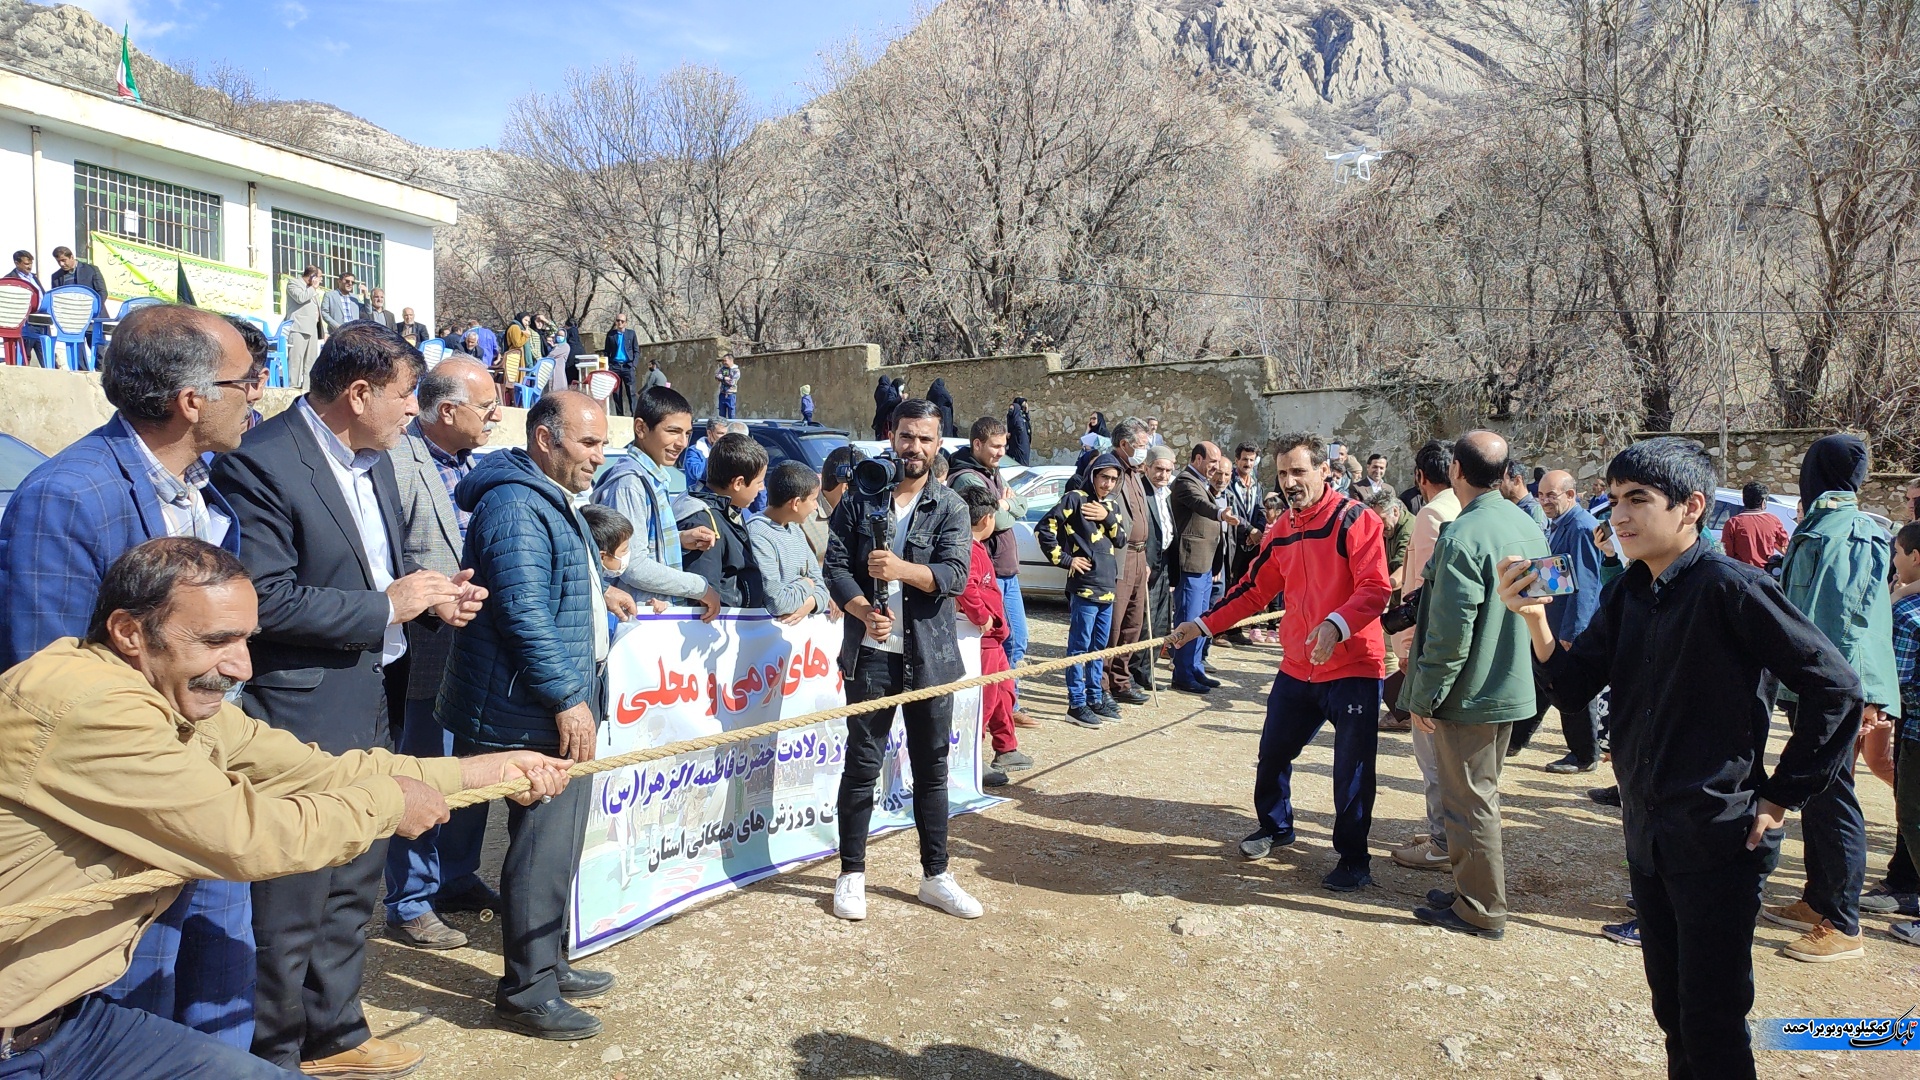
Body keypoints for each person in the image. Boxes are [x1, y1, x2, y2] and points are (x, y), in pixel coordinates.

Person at [0, 538, 571, 1080]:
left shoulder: (161, 697)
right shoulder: (94, 708)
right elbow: (247, 837)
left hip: (62, 1023)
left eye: (245, 640)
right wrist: (389, 804)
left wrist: (482, 772)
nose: (241, 667)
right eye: (217, 641)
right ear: (129, 632)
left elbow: (316, 770)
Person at [1504, 437, 1862, 1078]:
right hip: (1649, 834)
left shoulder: (1732, 587)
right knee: (1672, 1010)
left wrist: (1782, 796)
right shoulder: (1629, 591)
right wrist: (1535, 619)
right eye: (1615, 500)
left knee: (1712, 1022)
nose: (1619, 516)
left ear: (1692, 507)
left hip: (1720, 837)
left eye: (1637, 500)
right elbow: (1574, 688)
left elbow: (1836, 687)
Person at [212, 322, 484, 1076]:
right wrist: (386, 606)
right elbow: (263, 600)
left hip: (374, 694)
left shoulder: (381, 460)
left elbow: (374, 576)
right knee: (294, 892)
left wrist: (431, 602)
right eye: (405, 396)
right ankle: (275, 1052)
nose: (414, 411)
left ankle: (335, 1034)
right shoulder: (263, 462)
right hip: (299, 708)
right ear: (359, 394)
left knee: (356, 878)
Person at [0, 304, 258, 1049]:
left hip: (205, 781)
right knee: (138, 1007)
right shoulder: (67, 498)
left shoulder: (208, 488)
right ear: (191, 400)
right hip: (123, 813)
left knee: (218, 995)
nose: (257, 397)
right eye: (245, 382)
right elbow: (48, 688)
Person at [436, 392, 618, 1040]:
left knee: (557, 845)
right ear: (545, 439)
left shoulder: (545, 496)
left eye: (602, 443)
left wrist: (602, 595)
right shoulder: (514, 504)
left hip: (545, 699)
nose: (599, 457)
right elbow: (522, 612)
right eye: (589, 443)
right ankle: (527, 991)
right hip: (527, 708)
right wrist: (567, 698)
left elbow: (553, 588)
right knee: (540, 848)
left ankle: (549, 960)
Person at [1167, 433, 1390, 891]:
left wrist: (1335, 625)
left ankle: (1353, 859)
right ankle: (1276, 825)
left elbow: (1375, 589)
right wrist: (1202, 625)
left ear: (1324, 471)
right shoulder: (1283, 529)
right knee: (1272, 753)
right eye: (1283, 473)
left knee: (1352, 769)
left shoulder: (1355, 519)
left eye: (1299, 471)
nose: (1289, 482)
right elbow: (1253, 590)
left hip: (1353, 666)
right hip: (1297, 665)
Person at [822, 398, 979, 922]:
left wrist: (901, 569)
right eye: (907, 436)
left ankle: (936, 876)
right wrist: (863, 611)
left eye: (925, 439)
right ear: (892, 436)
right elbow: (835, 566)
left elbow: (954, 575)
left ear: (939, 444)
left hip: (930, 657)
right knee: (862, 765)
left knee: (932, 769)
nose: (914, 447)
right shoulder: (859, 496)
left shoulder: (950, 506)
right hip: (870, 656)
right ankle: (851, 874)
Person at [1400, 431, 1551, 939]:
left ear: (1456, 471)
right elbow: (1548, 598)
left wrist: (1424, 698)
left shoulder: (1462, 535)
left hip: (1470, 695)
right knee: (1476, 797)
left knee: (1470, 804)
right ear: (1506, 473)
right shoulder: (1526, 523)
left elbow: (1448, 635)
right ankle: (1470, 891)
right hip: (1511, 684)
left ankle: (1481, 908)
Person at [381, 359, 504, 952]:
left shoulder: (477, 468)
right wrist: (434, 594)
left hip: (476, 648)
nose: (495, 416)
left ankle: (456, 876)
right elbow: (386, 557)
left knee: (471, 771)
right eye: (485, 407)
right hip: (424, 649)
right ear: (448, 411)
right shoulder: (396, 462)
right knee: (423, 772)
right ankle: (409, 900)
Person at [1762, 433, 1899, 962]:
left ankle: (1843, 922)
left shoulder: (1853, 531)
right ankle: (1819, 900)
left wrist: (1857, 695)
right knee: (1818, 791)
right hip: (1814, 684)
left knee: (1835, 793)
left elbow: (1849, 623)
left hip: (1835, 688)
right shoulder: (1821, 524)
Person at [1389, 439, 1463, 872]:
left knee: (1431, 751)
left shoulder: (1432, 515)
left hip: (1428, 647)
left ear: (1420, 477)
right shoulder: (1468, 508)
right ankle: (1446, 831)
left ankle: (1441, 840)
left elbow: (1424, 590)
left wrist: (1406, 648)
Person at [591, 386, 723, 618]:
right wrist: (700, 587)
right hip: (638, 617)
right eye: (673, 431)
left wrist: (679, 539)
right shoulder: (630, 483)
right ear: (641, 428)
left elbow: (641, 542)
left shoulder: (653, 478)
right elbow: (632, 564)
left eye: (687, 433)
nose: (682, 442)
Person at [948, 418, 1032, 718]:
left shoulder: (993, 472)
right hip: (989, 572)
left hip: (1007, 572)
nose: (1001, 452)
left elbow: (1022, 505)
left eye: (1003, 446)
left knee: (1017, 639)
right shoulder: (966, 478)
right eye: (995, 446)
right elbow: (996, 521)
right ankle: (1001, 709)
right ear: (977, 444)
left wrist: (1007, 505)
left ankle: (1008, 704)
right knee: (1002, 641)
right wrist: (1005, 508)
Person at [1038, 454, 1127, 728]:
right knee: (1080, 647)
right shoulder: (1075, 499)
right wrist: (1066, 560)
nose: (1108, 484)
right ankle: (1076, 703)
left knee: (1099, 647)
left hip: (1107, 586)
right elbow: (1044, 529)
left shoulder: (1111, 505)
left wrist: (1107, 517)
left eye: (1113, 479)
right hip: (1085, 586)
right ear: (1093, 475)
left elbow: (1121, 539)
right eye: (1104, 477)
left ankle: (1095, 698)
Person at [954, 483, 1031, 773]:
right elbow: (967, 586)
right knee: (984, 699)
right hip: (981, 639)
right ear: (987, 519)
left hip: (994, 639)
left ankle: (1006, 747)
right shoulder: (968, 550)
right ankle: (972, 756)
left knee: (1004, 695)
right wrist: (982, 616)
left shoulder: (977, 548)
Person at [1536, 469, 1607, 774]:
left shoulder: (1580, 527)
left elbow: (1586, 583)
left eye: (1551, 495)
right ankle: (1517, 737)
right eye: (1541, 495)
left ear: (1570, 495)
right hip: (1555, 620)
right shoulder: (1561, 524)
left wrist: (1573, 631)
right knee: (1546, 681)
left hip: (1571, 626)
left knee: (1573, 687)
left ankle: (1585, 754)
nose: (1544, 501)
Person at [1169, 442, 1232, 694]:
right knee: (1188, 617)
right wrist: (1221, 514)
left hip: (1205, 563)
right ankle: (1182, 673)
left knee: (1201, 620)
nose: (1216, 467)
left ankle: (1195, 667)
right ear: (1198, 459)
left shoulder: (1202, 482)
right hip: (1191, 563)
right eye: (1212, 462)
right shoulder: (1186, 481)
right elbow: (1200, 505)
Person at [1101, 418, 1155, 710]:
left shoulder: (1135, 472)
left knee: (1133, 624)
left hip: (1138, 556)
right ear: (1124, 444)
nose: (1145, 450)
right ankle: (1102, 684)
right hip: (1118, 557)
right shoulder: (1110, 470)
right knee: (1113, 625)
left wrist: (1145, 557)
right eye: (1141, 445)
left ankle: (1121, 679)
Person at [678, 432, 767, 608]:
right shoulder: (703, 520)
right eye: (759, 482)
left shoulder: (729, 508)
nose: (762, 488)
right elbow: (704, 597)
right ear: (738, 483)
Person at [1888, 522, 1920, 946]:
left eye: (1897, 552)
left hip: (1916, 731)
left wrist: (1894, 598)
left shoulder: (1907, 613)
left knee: (1913, 817)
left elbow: (1896, 679)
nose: (1893, 560)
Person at [748, 460, 832, 622]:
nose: (816, 506)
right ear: (795, 503)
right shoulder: (758, 535)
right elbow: (778, 603)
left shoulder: (795, 530)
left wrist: (809, 604)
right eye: (813, 499)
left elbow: (823, 589)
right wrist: (807, 584)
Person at [1365, 487, 1415, 730]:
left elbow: (1404, 569)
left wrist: (1382, 588)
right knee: (1390, 654)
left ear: (1395, 511)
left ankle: (1401, 712)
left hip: (1409, 605)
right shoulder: (1387, 529)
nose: (1379, 525)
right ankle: (1399, 710)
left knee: (1399, 655)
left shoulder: (1409, 529)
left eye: (1382, 519)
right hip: (1397, 602)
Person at [1133, 446, 1178, 694]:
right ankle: (1131, 674)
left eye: (1168, 471)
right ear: (1147, 467)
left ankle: (1147, 672)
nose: (1163, 475)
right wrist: (1143, 562)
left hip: (1165, 565)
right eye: (1159, 469)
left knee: (1160, 623)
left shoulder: (1167, 493)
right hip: (1146, 565)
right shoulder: (1140, 492)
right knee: (1142, 623)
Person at [1220, 442, 1266, 641]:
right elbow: (1231, 511)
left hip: (1252, 544)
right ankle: (1222, 630)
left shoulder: (1257, 485)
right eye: (1244, 459)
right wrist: (1250, 530)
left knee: (1244, 585)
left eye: (1251, 459)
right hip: (1233, 541)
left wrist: (1259, 531)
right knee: (1229, 586)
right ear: (1236, 460)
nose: (1248, 463)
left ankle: (1236, 629)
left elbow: (1261, 510)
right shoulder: (1228, 483)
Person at [1720, 482, 1790, 569]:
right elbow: (1785, 545)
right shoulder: (1773, 521)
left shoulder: (1732, 523)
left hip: (1741, 572)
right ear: (1763, 502)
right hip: (1765, 572)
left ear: (1744, 500)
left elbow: (1727, 553)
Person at [283, 266, 321, 390]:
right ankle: (293, 387)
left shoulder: (312, 289)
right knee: (296, 360)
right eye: (319, 277)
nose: (320, 280)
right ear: (312, 276)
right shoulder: (293, 283)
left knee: (311, 361)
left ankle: (307, 388)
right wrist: (313, 288)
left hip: (312, 328)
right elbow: (300, 298)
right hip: (298, 327)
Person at [603, 314, 640, 416]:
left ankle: (634, 415)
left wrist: (634, 365)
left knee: (631, 392)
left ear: (626, 323)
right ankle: (620, 415)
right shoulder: (611, 335)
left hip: (628, 366)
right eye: (618, 320)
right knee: (616, 393)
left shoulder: (631, 334)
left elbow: (636, 351)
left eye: (622, 321)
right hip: (614, 366)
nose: (620, 323)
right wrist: (608, 365)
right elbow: (606, 351)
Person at [1501, 460, 1548, 531]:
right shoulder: (1507, 508)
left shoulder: (1534, 511)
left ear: (1517, 480)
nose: (1497, 485)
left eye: (1501, 480)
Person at [682, 416, 728, 490]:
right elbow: (697, 474)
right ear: (709, 433)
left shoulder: (726, 450)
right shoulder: (694, 451)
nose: (724, 437)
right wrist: (715, 453)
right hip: (700, 495)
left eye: (726, 434)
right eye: (720, 433)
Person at [318, 272, 362, 337]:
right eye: (347, 281)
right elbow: (324, 312)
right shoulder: (329, 295)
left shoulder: (355, 298)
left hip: (354, 332)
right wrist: (336, 326)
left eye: (352, 282)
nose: (350, 284)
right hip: (337, 332)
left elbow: (367, 311)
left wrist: (366, 295)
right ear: (339, 281)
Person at [1006, 396, 1033, 466]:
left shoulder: (1022, 416)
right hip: (1017, 443)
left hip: (1023, 443)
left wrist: (1026, 411)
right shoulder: (1016, 418)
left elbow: (1027, 420)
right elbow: (1019, 428)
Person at [873, 376, 899, 441]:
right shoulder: (888, 390)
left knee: (880, 430)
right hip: (886, 413)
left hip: (879, 412)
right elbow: (889, 402)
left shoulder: (877, 390)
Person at [714, 351, 740, 419]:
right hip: (722, 394)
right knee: (721, 415)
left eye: (725, 361)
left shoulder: (736, 371)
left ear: (731, 360)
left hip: (730, 395)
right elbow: (717, 376)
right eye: (723, 361)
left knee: (731, 414)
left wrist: (722, 379)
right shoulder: (723, 369)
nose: (724, 362)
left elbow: (731, 383)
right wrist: (724, 378)